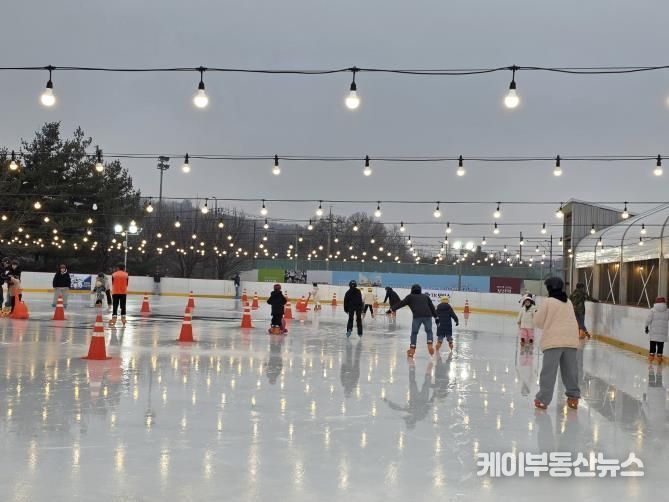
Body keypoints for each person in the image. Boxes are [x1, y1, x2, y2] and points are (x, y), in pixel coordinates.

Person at [533, 277, 581, 410]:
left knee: (549, 372)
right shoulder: (568, 301)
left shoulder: (548, 302)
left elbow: (538, 322)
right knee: (570, 371)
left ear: (549, 288)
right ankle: (573, 398)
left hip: (553, 341)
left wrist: (536, 313)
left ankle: (543, 399)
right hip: (570, 340)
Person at [390, 284, 439, 357]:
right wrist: (436, 317)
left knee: (414, 333)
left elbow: (401, 303)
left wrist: (392, 309)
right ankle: (430, 344)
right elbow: (432, 308)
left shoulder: (410, 297)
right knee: (429, 331)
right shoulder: (426, 296)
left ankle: (412, 349)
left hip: (417, 316)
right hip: (428, 315)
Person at [645, 297, 668, 364]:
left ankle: (651, 360)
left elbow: (648, 320)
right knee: (660, 347)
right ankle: (659, 361)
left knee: (652, 346)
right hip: (662, 333)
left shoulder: (653, 310)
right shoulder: (667, 311)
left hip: (654, 333)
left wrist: (646, 327)